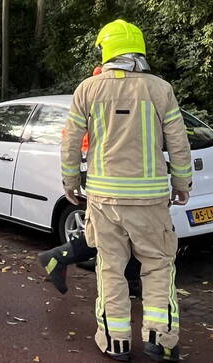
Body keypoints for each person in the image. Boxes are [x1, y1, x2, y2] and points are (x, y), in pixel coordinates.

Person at [61, 20, 192, 362]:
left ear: (107, 51)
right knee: (158, 266)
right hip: (150, 200)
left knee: (110, 268)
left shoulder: (87, 89)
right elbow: (179, 143)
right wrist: (182, 184)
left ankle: (115, 341)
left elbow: (71, 142)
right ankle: (159, 339)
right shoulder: (161, 89)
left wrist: (71, 182)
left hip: (104, 200)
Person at [38, 67, 142, 298]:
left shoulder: (94, 100)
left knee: (118, 230)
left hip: (101, 174)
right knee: (113, 231)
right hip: (101, 175)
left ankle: (130, 280)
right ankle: (60, 257)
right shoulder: (103, 103)